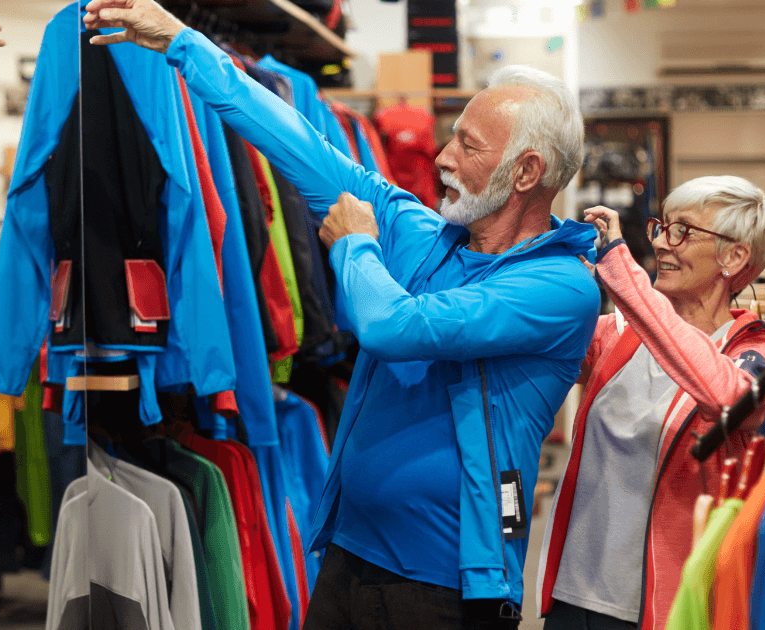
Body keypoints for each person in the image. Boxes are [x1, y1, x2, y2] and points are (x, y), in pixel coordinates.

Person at [81, 1, 601, 628]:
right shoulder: (424, 235)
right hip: (349, 552)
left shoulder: (559, 286)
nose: (441, 157)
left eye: (467, 145)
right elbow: (293, 139)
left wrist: (354, 243)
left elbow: (396, 327)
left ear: (526, 172)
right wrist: (182, 42)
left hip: (446, 585)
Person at [536, 176, 765, 630]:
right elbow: (530, 339)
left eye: (683, 231)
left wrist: (623, 277)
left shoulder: (758, 354)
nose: (662, 245)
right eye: (662, 227)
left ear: (733, 256)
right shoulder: (617, 335)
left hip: (664, 612)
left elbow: (727, 398)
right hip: (573, 597)